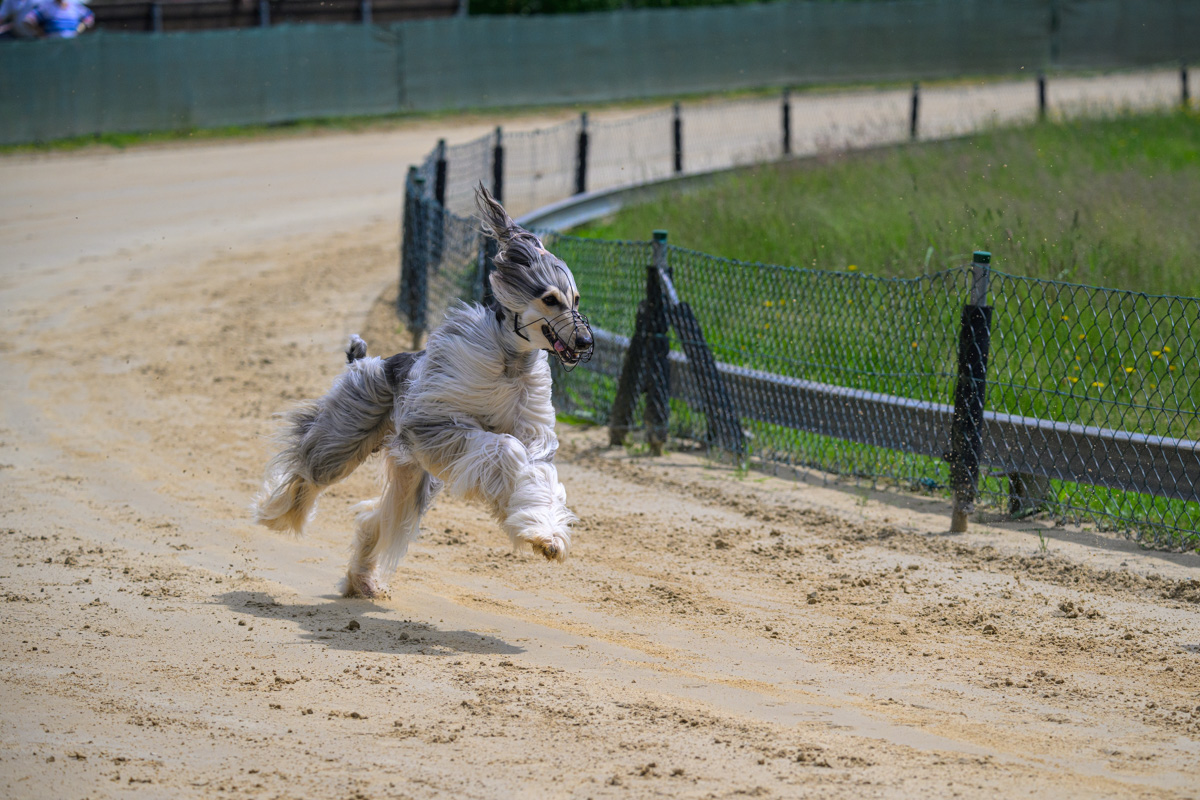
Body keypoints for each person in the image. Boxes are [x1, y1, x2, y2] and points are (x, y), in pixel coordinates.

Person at [24, 0, 93, 38]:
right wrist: (40, 33)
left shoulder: (75, 5)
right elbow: (28, 20)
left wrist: (79, 29)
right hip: (52, 47)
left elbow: (89, 16)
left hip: (71, 46)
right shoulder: (46, 6)